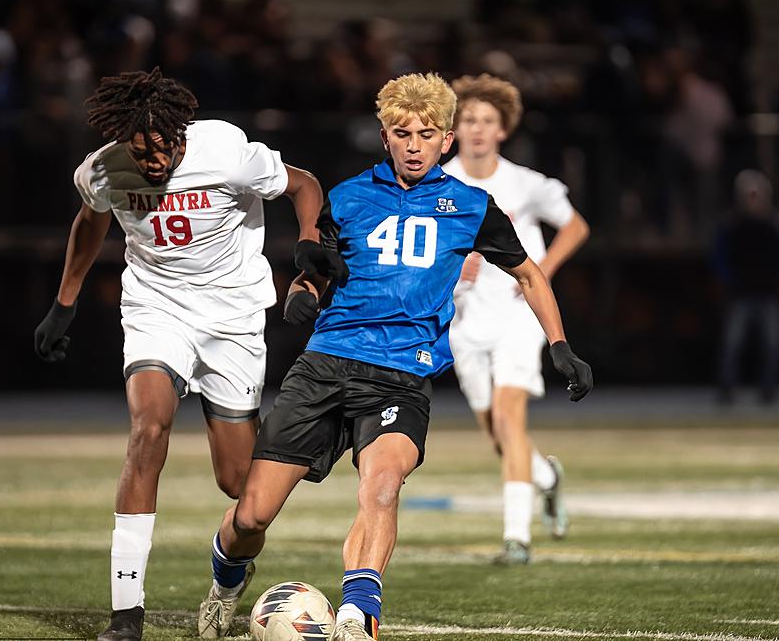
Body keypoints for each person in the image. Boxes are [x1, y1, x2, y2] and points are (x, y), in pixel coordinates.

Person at [196, 73, 592, 641]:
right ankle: (224, 588)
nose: (413, 144)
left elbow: (528, 273)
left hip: (401, 377)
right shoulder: (350, 197)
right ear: (384, 137)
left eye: (426, 134)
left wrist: (559, 345)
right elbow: (314, 270)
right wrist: (302, 298)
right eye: (401, 133)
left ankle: (358, 617)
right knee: (252, 513)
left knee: (382, 485)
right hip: (326, 365)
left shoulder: (473, 206)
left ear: (446, 141)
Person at [33, 67, 342, 641]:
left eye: (163, 149)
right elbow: (91, 221)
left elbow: (305, 184)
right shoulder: (101, 169)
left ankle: (229, 572)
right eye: (140, 152)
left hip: (233, 318)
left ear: (182, 132)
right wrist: (65, 301)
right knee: (149, 429)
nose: (152, 162)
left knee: (241, 490)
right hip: (157, 311)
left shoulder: (224, 148)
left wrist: (306, 246)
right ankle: (126, 614)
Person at [442, 73, 590, 565]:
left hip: (515, 316)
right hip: (463, 321)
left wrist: (539, 272)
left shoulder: (524, 184)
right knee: (498, 436)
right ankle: (547, 478)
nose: (478, 129)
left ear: (503, 129)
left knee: (509, 418)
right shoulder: (438, 184)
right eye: (468, 120)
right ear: (454, 127)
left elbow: (575, 226)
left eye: (487, 120)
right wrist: (451, 264)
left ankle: (516, 540)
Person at [715, 169, 779, 404]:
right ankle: (727, 389)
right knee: (732, 344)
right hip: (740, 294)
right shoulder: (731, 226)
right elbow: (719, 257)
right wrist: (727, 279)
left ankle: (768, 390)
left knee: (773, 344)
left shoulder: (776, 226)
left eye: (756, 195)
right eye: (749, 195)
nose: (753, 200)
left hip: (768, 294)